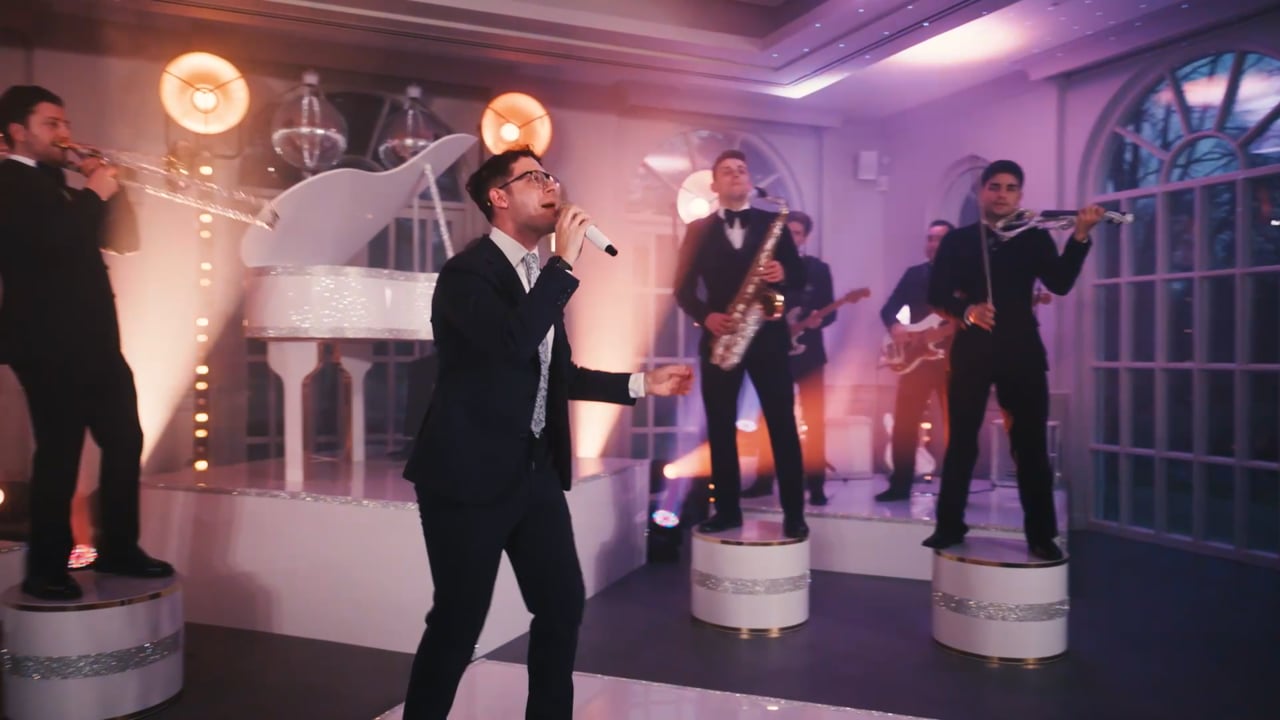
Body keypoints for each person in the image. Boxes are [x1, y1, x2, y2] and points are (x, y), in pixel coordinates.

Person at [400, 147, 693, 720]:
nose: (551, 185)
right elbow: (508, 347)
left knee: (561, 605)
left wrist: (641, 383)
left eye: (550, 175)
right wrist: (563, 264)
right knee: (459, 621)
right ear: (499, 197)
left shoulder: (539, 277)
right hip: (466, 476)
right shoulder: (467, 274)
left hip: (533, 472)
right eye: (534, 177)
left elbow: (560, 375)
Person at [0, 85, 173, 601]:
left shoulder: (64, 188)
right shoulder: (8, 182)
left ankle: (119, 547)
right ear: (18, 131)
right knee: (60, 452)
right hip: (47, 345)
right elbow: (52, 244)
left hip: (96, 342)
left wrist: (113, 191)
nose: (65, 134)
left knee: (125, 440)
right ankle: (46, 569)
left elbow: (125, 242)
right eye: (51, 124)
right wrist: (94, 193)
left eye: (66, 123)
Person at [922, 160, 1102, 561]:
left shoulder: (1033, 237)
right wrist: (968, 311)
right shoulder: (958, 241)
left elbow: (1060, 282)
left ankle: (1041, 535)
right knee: (961, 441)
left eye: (1010, 188)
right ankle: (949, 525)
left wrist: (1080, 236)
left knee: (1030, 445)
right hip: (971, 351)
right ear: (981, 192)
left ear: (1020, 195)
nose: (1001, 194)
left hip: (1022, 350)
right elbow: (936, 294)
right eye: (994, 187)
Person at [674, 150, 809, 539]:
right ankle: (727, 511)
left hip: (767, 338)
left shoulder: (773, 224)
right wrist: (706, 316)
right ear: (714, 185)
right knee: (719, 427)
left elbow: (800, 277)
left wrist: (784, 272)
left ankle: (794, 514)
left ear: (749, 181)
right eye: (727, 171)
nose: (736, 175)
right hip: (721, 335)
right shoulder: (698, 229)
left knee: (783, 425)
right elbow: (682, 289)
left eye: (741, 170)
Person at [741, 210, 835, 506]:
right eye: (787, 232)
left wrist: (819, 320)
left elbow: (831, 310)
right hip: (775, 351)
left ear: (805, 237)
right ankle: (763, 480)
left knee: (814, 420)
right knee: (769, 417)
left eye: (797, 233)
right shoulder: (766, 267)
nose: (792, 238)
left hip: (810, 355)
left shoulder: (818, 269)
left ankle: (816, 485)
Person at [876, 220, 955, 502]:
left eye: (940, 239)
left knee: (958, 425)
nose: (933, 245)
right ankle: (900, 485)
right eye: (930, 239)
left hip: (953, 360)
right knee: (905, 424)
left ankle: (955, 488)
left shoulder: (967, 276)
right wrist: (895, 325)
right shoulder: (914, 274)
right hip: (916, 361)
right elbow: (889, 307)